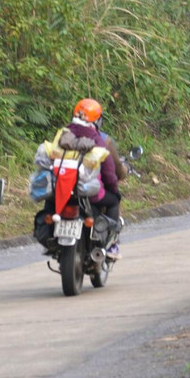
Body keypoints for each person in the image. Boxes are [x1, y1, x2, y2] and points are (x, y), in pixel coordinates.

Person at [35, 98, 123, 258]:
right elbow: (110, 173)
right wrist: (114, 189)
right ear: (98, 120)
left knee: (51, 202)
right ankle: (110, 245)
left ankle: (51, 238)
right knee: (114, 200)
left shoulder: (63, 134)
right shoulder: (100, 140)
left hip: (60, 190)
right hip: (90, 194)